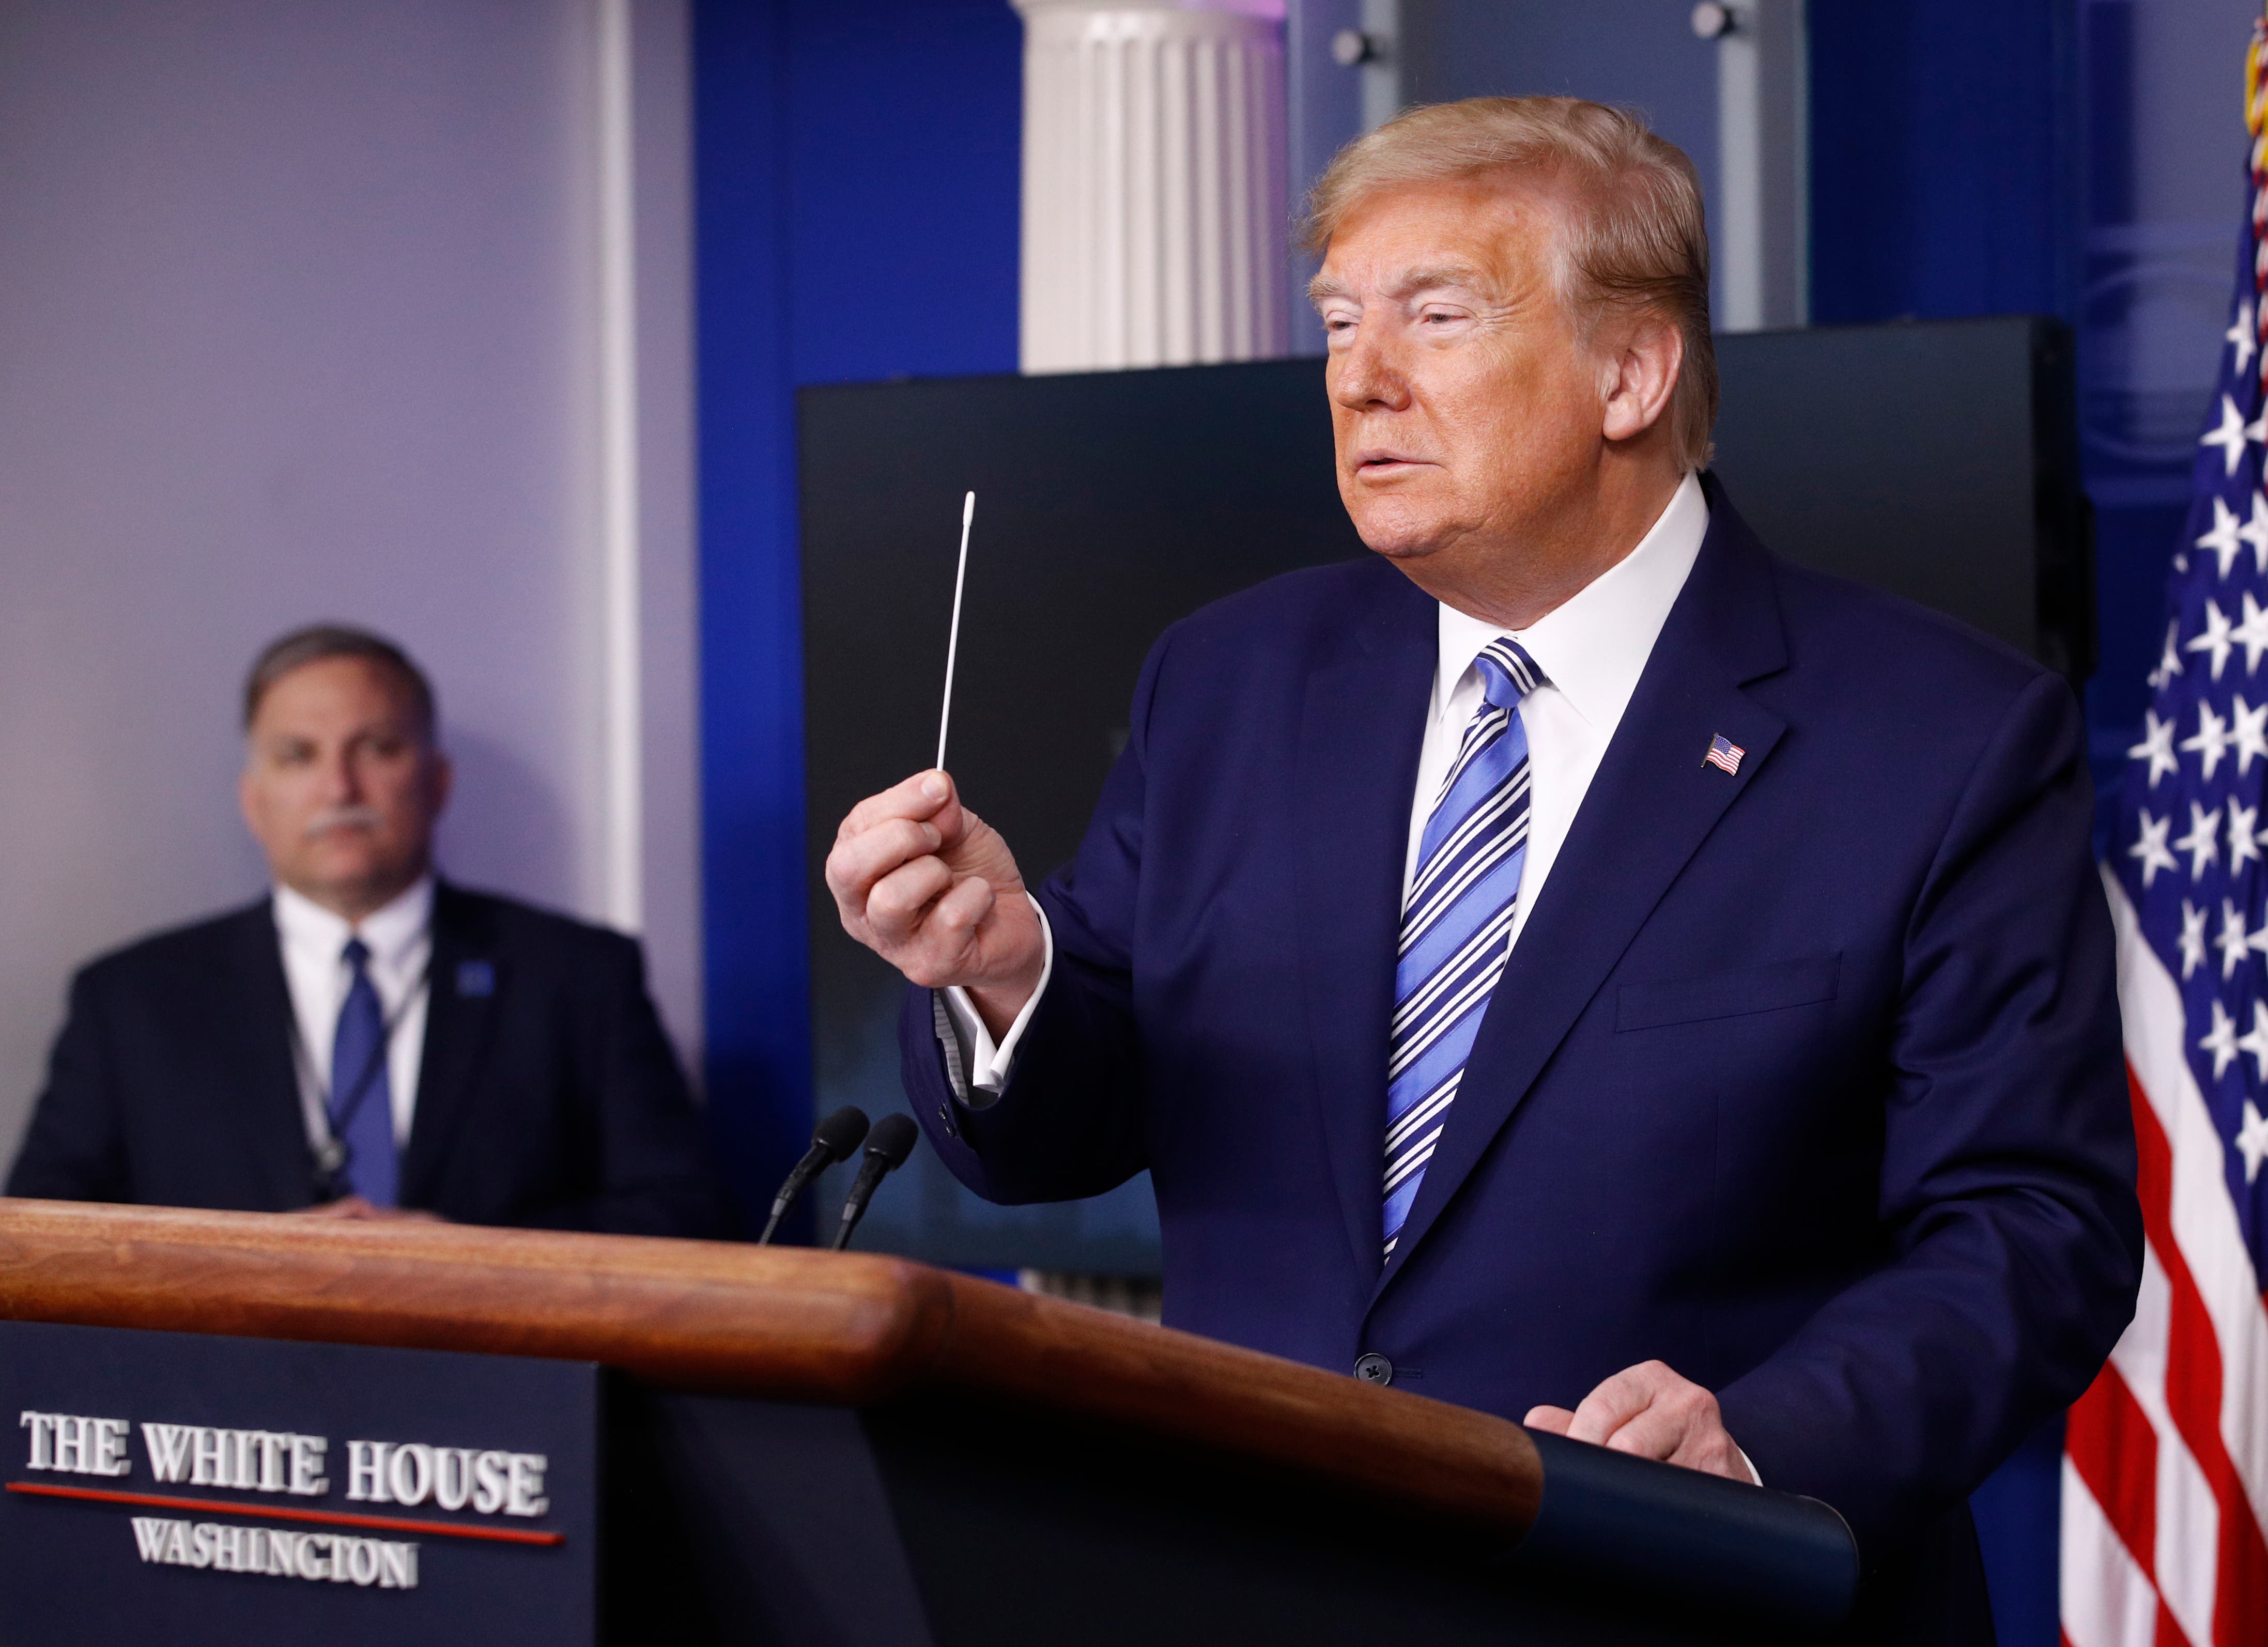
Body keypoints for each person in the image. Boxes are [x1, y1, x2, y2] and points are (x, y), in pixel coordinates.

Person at [825, 97, 2140, 1634]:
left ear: (1629, 372)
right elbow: (1073, 1109)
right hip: (1252, 1580)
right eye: (1334, 326)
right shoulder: (1232, 678)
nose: (1358, 381)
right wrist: (1002, 966)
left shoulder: (1941, 736)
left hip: (1675, 1596)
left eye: (1433, 318)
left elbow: (2028, 1227)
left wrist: (1762, 1438)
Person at [8, 624, 726, 1237]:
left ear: (437, 781)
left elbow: (684, 1215)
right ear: (254, 801)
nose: (339, 789)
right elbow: (39, 1240)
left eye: (377, 748)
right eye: (298, 756)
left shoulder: (577, 976)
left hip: (496, 1385)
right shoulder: (132, 1001)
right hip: (212, 1391)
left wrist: (475, 1259)